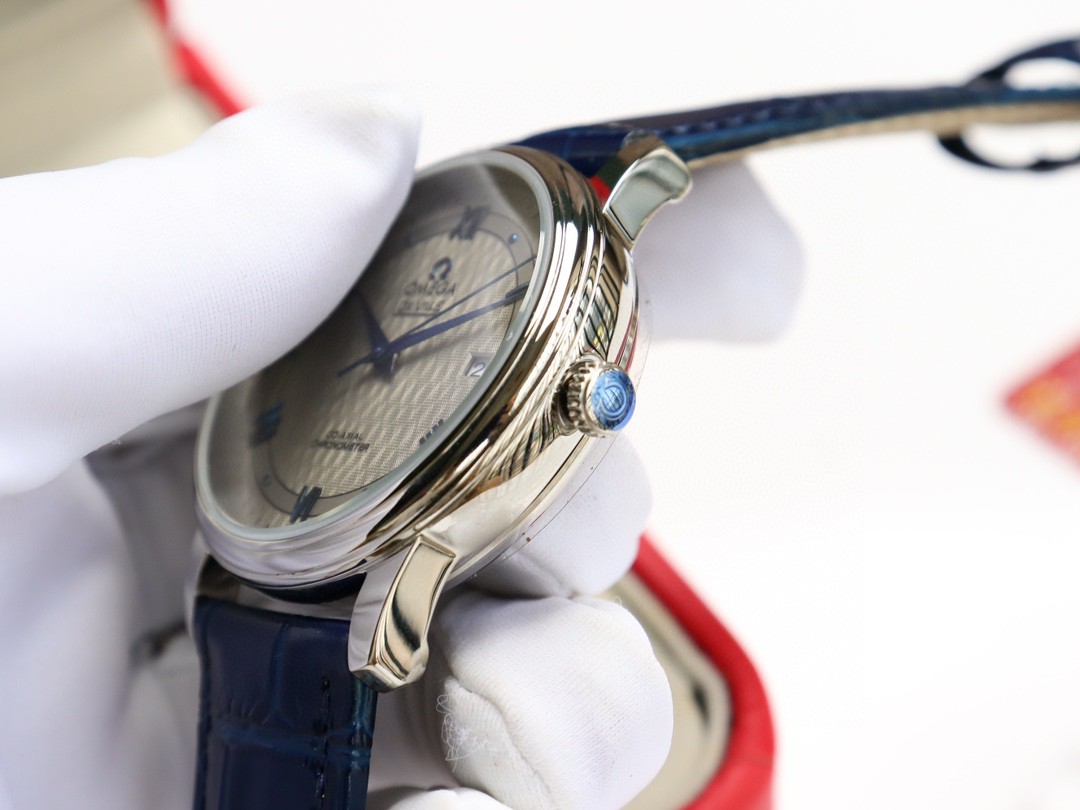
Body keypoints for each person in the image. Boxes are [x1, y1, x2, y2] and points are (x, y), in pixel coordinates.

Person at [0, 89, 801, 809]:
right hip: (255, 520)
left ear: (589, 394)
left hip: (306, 531)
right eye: (386, 351)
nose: (383, 359)